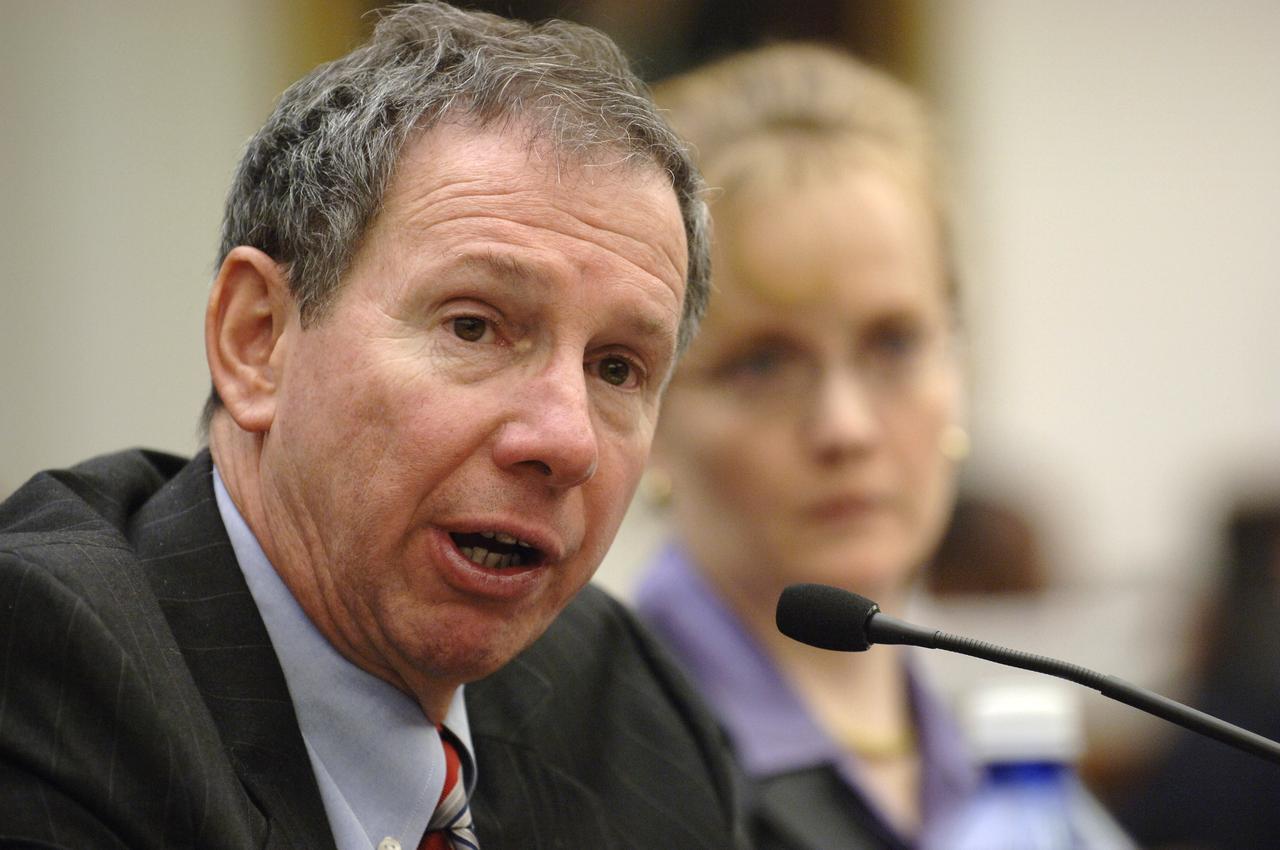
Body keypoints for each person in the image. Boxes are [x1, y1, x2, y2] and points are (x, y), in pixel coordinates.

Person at [0, 4, 745, 848]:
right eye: (474, 327)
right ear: (258, 340)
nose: (566, 440)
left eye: (616, 368)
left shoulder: (633, 715)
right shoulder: (46, 668)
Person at [633, 44, 978, 849]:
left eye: (893, 344)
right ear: (649, 405)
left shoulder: (993, 758)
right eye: (763, 363)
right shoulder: (602, 759)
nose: (846, 428)